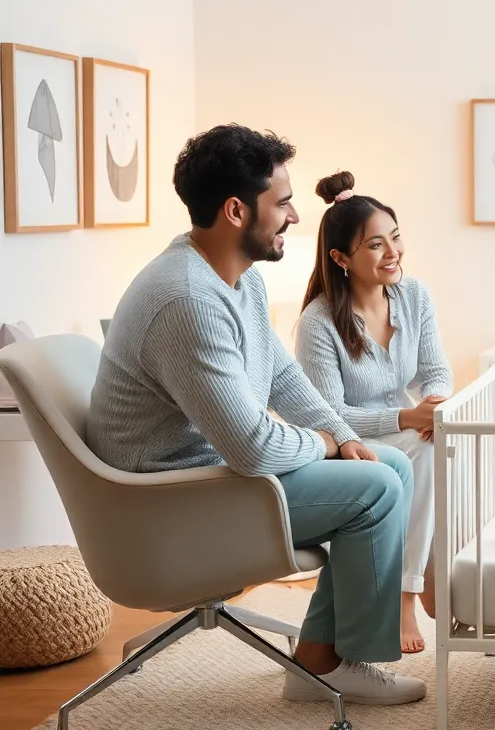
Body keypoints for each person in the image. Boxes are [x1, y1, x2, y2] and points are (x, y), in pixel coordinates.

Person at [87, 124, 426, 706]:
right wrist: (322, 444)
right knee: (377, 487)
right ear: (237, 210)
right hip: (171, 502)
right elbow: (251, 446)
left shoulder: (233, 280)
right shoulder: (187, 300)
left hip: (209, 477)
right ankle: (335, 663)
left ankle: (319, 662)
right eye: (283, 202)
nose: (294, 216)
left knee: (389, 466)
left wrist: (343, 435)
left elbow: (283, 377)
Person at [293, 170, 454, 654]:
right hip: (348, 449)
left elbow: (436, 371)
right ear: (341, 258)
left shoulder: (415, 296)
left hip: (409, 435)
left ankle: (433, 570)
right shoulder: (319, 323)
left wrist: (436, 402)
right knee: (421, 454)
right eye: (376, 245)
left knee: (442, 444)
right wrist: (406, 419)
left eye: (397, 238)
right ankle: (411, 592)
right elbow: (327, 416)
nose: (393, 253)